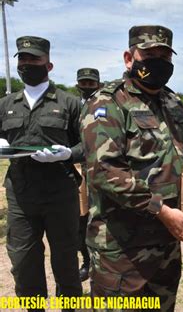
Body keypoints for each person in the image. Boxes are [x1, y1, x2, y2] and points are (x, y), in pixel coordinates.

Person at [80, 25, 183, 310]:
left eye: (165, 55)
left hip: (165, 244)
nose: (158, 61)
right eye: (149, 54)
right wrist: (159, 209)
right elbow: (104, 171)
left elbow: (182, 155)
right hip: (122, 249)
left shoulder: (172, 102)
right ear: (129, 57)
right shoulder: (108, 102)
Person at [0, 36, 83, 302]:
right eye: (22, 59)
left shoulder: (69, 103)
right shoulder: (6, 105)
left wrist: (69, 153)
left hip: (60, 192)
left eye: (34, 59)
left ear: (48, 65)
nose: (26, 64)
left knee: (65, 260)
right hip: (20, 194)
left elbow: (91, 144)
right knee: (23, 262)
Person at [75, 67, 101, 282]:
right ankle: (87, 261)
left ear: (98, 85)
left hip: (102, 170)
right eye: (83, 83)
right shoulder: (72, 106)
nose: (87, 87)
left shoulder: (106, 105)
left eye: (91, 84)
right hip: (79, 170)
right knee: (81, 219)